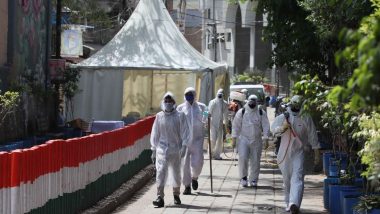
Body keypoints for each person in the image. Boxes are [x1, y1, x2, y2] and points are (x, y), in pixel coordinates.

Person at [271, 95, 320, 214]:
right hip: (284, 152)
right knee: (287, 179)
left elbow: (313, 136)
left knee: (297, 177)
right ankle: (288, 203)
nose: (295, 108)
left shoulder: (306, 118)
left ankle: (294, 204)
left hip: (299, 151)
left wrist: (317, 154)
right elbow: (273, 131)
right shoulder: (283, 117)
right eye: (293, 106)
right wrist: (282, 128)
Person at [150, 92, 190, 207]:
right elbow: (155, 133)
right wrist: (153, 149)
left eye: (170, 101)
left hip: (175, 149)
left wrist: (184, 146)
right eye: (166, 101)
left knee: (176, 173)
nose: (168, 103)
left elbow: (185, 132)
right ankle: (159, 197)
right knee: (161, 171)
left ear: (174, 102)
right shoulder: (159, 116)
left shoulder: (180, 116)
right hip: (162, 149)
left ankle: (176, 194)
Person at [231, 95, 270, 188]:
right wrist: (234, 138)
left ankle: (253, 179)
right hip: (244, 139)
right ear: (247, 101)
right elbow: (236, 125)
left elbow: (265, 125)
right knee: (243, 157)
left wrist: (266, 138)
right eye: (251, 101)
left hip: (257, 140)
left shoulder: (261, 112)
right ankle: (243, 177)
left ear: (256, 102)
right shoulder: (242, 112)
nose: (252, 103)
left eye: (254, 101)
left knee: (255, 160)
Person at [177, 87, 207, 195]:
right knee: (184, 164)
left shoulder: (202, 107)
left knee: (198, 161)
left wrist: (208, 118)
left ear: (194, 96)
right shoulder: (180, 108)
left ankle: (195, 177)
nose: (189, 97)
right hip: (184, 140)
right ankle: (187, 186)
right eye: (187, 95)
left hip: (198, 139)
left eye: (191, 95)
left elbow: (207, 116)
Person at [208, 89, 228, 160]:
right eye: (219, 94)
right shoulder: (212, 102)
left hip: (220, 124)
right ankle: (210, 153)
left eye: (221, 94)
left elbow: (226, 115)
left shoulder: (225, 103)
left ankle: (217, 155)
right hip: (212, 123)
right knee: (212, 139)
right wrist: (206, 121)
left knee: (219, 140)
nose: (220, 95)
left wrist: (226, 125)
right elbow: (208, 112)